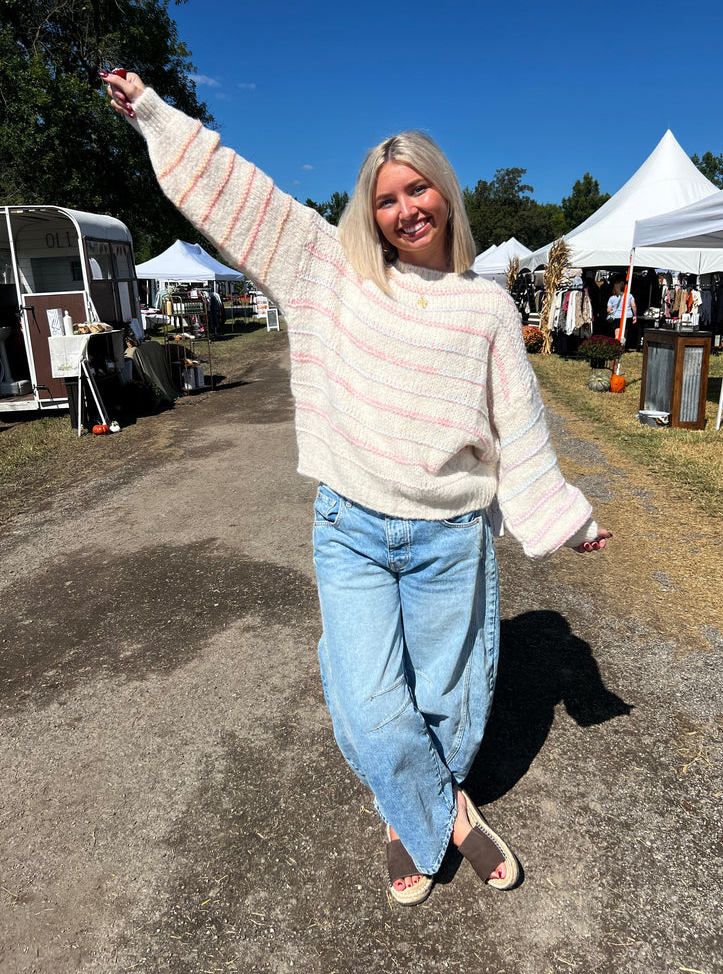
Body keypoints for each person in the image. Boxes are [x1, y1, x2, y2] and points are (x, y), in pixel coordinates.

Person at [102, 70, 612, 906]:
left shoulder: (485, 307)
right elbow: (242, 195)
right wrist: (159, 118)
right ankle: (443, 816)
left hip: (451, 536)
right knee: (372, 701)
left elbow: (519, 430)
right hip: (352, 530)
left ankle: (401, 813)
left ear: (445, 193)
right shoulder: (324, 271)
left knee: (450, 697)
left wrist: (566, 518)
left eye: (419, 189)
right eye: (386, 199)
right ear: (366, 212)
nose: (406, 209)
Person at [607, 278, 637, 344]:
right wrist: (635, 315)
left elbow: (608, 310)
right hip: (627, 316)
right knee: (624, 334)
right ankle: (622, 348)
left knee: (617, 335)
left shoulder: (612, 298)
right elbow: (633, 306)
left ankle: (617, 349)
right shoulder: (629, 296)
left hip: (617, 316)